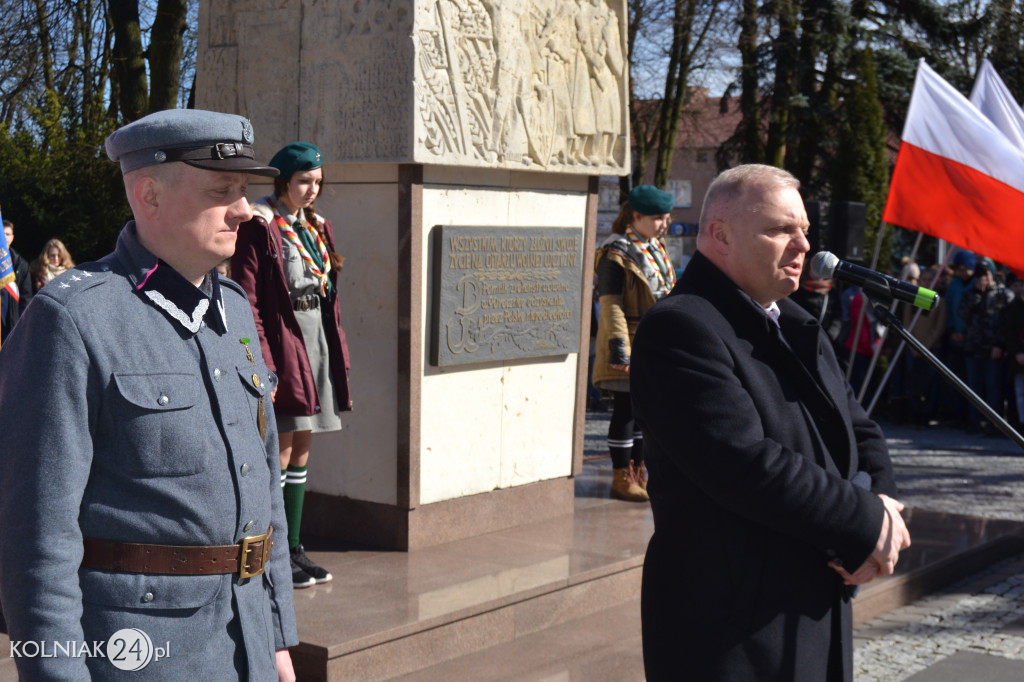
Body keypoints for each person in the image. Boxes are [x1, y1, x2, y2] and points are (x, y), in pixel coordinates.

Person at [0, 109, 298, 681]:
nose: (245, 210)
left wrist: (279, 634)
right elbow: (37, 539)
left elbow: (263, 483)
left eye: (243, 190)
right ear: (150, 194)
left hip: (249, 641)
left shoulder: (233, 307)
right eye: (222, 190)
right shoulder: (73, 319)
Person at [630, 164, 910, 681]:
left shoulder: (797, 323)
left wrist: (884, 508)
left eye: (803, 229)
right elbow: (746, 464)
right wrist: (865, 524)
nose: (803, 245)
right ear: (720, 235)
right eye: (781, 229)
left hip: (813, 609)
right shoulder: (681, 327)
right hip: (732, 627)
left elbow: (859, 431)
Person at [233, 141, 351, 588]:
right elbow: (246, 297)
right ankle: (274, 550)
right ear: (283, 181)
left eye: (318, 182)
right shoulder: (261, 225)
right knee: (280, 449)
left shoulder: (316, 226)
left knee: (304, 442)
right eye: (304, 181)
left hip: (314, 339)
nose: (312, 190)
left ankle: (295, 546)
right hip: (284, 341)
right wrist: (262, 360)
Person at [592, 185, 675, 502]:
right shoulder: (616, 251)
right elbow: (611, 304)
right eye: (657, 218)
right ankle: (621, 477)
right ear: (636, 216)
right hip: (628, 341)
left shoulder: (656, 247)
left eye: (666, 217)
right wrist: (619, 349)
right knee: (625, 411)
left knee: (645, 413)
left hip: (655, 343)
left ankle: (639, 473)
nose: (664, 224)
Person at [958, 258, 1013, 435]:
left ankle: (993, 425)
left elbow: (1008, 324)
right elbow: (962, 313)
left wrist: (1000, 345)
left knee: (993, 389)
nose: (983, 278)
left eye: (986, 274)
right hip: (973, 348)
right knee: (973, 388)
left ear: (992, 274)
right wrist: (976, 295)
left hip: (993, 349)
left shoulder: (1003, 294)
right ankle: (974, 422)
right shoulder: (970, 293)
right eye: (980, 275)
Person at [1, 219, 33, 337]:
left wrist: (22, 324)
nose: (4, 237)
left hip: (11, 320)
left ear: (12, 237)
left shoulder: (21, 264)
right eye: (1, 233)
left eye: (7, 234)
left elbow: (26, 297)